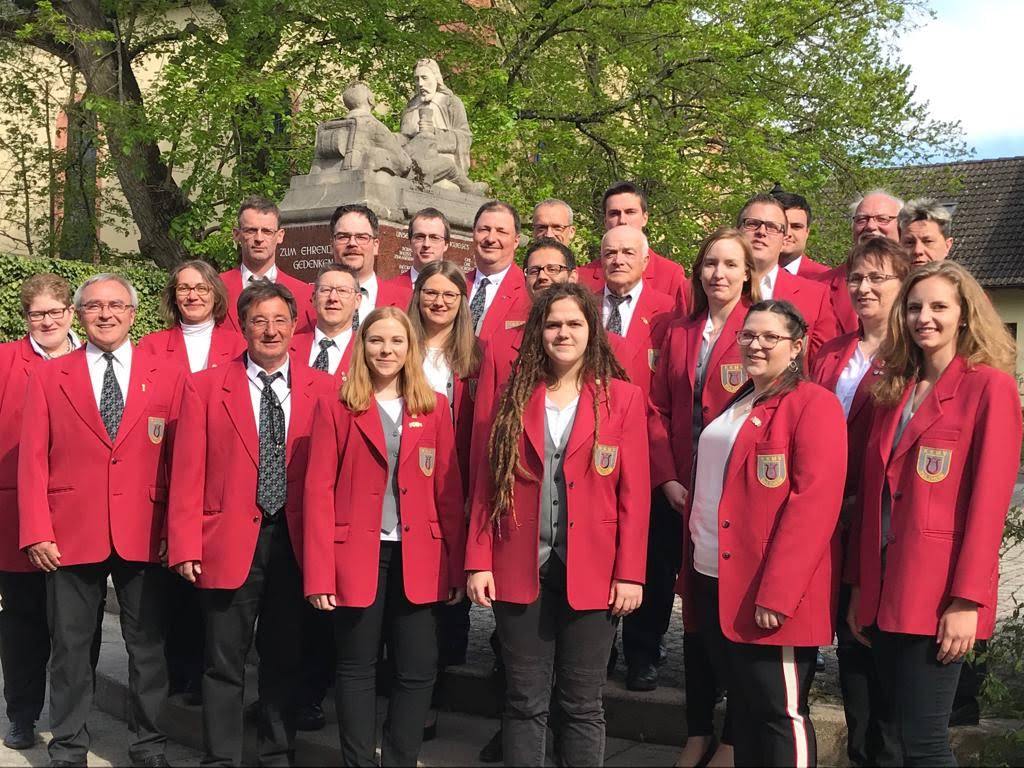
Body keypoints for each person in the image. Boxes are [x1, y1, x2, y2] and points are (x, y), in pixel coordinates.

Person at [466, 283, 651, 767]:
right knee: (524, 701)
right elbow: (486, 484)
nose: (562, 333)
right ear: (537, 333)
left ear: (592, 331)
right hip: (517, 564)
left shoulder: (623, 399)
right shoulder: (512, 395)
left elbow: (634, 496)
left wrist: (630, 572)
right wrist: (478, 560)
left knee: (582, 704)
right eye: (552, 324)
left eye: (574, 323)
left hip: (593, 568)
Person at [848, 261, 1022, 766]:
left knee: (923, 744)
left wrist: (967, 600)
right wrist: (860, 586)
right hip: (884, 590)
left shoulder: (988, 387)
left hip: (939, 594)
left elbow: (989, 505)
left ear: (965, 315)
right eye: (916, 306)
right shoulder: (892, 387)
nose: (925, 317)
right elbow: (875, 497)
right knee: (893, 736)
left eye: (940, 307)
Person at [19, 273, 187, 768]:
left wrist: (174, 534)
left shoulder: (166, 373)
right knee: (70, 650)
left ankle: (148, 744)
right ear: (79, 314)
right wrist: (36, 531)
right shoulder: (50, 375)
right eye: (94, 306)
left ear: (134, 314)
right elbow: (32, 460)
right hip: (69, 534)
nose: (106, 314)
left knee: (148, 649)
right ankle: (68, 744)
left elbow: (183, 460)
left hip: (146, 532)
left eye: (117, 305)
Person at [167, 281, 336, 766]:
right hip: (225, 541)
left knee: (284, 657)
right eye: (259, 320)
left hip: (293, 543)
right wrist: (183, 544)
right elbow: (186, 473)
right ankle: (221, 757)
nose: (270, 330)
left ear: (293, 327)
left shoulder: (323, 389)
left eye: (280, 320)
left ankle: (276, 752)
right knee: (223, 661)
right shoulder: (204, 387)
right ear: (242, 327)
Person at [679, 299, 846, 767]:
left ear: (795, 347)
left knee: (780, 713)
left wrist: (779, 592)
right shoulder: (742, 401)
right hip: (715, 578)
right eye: (748, 335)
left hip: (769, 591)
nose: (755, 344)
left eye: (769, 337)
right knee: (747, 710)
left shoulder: (813, 404)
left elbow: (813, 505)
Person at [303, 306, 466, 767]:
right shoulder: (337, 406)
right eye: (376, 340)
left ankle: (399, 758)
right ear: (362, 346)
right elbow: (318, 492)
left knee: (417, 669)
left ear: (410, 348)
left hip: (420, 554)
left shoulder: (435, 406)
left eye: (396, 341)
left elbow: (449, 493)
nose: (386, 350)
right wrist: (319, 574)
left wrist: (455, 566)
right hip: (357, 553)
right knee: (356, 668)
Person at [648, 227, 761, 766]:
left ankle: (736, 736)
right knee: (693, 613)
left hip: (735, 497)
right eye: (709, 263)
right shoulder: (679, 331)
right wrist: (668, 476)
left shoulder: (760, 331)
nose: (718, 273)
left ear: (747, 273)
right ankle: (698, 730)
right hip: (683, 491)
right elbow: (659, 411)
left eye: (729, 264)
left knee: (732, 612)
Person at [810, 238, 913, 767]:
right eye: (857, 278)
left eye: (878, 278)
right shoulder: (830, 352)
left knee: (878, 656)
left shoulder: (911, 358)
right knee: (848, 655)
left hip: (881, 525)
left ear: (902, 285)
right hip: (828, 521)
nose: (864, 287)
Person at [0, 274, 83, 751]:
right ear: (26, 318)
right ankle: (23, 714)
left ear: (71, 312)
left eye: (55, 311)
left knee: (75, 629)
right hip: (17, 515)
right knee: (24, 624)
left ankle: (74, 718)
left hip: (80, 515)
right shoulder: (8, 360)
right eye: (37, 314)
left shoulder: (93, 357)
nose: (47, 321)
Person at [589, 224, 674, 691]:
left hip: (648, 446)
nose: (618, 260)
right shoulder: (583, 305)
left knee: (653, 558)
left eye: (628, 252)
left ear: (646, 259)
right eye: (609, 252)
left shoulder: (668, 313)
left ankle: (643, 651)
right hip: (589, 447)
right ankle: (599, 649)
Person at [736, 193, 837, 357]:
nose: (761, 232)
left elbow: (821, 367)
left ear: (784, 238)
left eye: (772, 227)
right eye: (752, 224)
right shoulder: (708, 288)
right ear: (737, 231)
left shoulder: (816, 296)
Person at [576, 181, 690, 313]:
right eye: (614, 214)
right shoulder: (583, 277)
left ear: (645, 218)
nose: (622, 220)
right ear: (605, 221)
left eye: (630, 212)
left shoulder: (670, 275)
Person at [220, 195, 316, 333]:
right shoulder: (215, 288)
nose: (259, 238)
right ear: (237, 235)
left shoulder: (305, 295)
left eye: (267, 231)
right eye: (251, 231)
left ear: (280, 236)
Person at [817, 190, 904, 337]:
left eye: (882, 219)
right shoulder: (820, 287)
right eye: (861, 219)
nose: (870, 226)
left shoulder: (917, 285)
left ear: (902, 225)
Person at [140, 260, 245, 374]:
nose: (192, 296)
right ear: (174, 297)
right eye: (183, 288)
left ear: (215, 296)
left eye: (202, 288)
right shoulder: (151, 346)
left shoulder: (239, 345)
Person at [330, 203, 409, 325]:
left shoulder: (408, 300)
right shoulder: (306, 301)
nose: (352, 243)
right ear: (332, 245)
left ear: (376, 245)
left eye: (361, 237)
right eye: (343, 237)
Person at [466, 200, 531, 341]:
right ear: (473, 234)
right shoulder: (455, 284)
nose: (490, 238)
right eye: (484, 229)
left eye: (501, 231)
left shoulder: (529, 291)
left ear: (516, 241)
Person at [291, 264, 362, 384]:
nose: (333, 298)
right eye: (325, 290)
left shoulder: (366, 351)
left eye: (342, 291)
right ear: (314, 299)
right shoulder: (287, 347)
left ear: (357, 301)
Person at [388, 208, 452, 298]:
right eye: (419, 237)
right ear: (410, 242)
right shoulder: (389, 289)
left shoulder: (458, 289)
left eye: (434, 237)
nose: (426, 244)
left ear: (446, 244)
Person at [770, 189, 831, 277]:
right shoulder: (746, 275)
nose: (787, 233)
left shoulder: (826, 278)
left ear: (807, 232)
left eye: (796, 227)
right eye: (781, 226)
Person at [898, 198, 954, 267]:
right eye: (909, 242)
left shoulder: (963, 277)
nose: (917, 251)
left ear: (947, 246)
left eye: (928, 241)